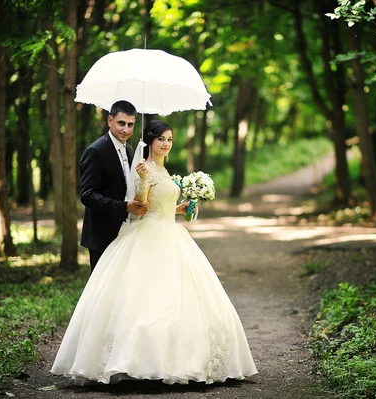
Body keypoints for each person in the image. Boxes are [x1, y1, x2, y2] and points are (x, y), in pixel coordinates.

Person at [51, 120, 258, 385]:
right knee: (145, 300)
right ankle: (138, 362)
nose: (166, 144)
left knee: (184, 298)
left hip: (171, 233)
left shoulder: (165, 169)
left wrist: (183, 208)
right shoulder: (144, 169)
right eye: (161, 138)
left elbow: (162, 207)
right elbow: (141, 205)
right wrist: (144, 180)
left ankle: (186, 360)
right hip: (147, 237)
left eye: (170, 139)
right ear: (150, 141)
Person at [79, 100, 147, 272]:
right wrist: (124, 207)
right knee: (101, 292)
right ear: (110, 120)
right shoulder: (95, 151)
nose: (126, 129)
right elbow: (87, 195)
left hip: (126, 232)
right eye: (121, 123)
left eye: (130, 125)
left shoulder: (131, 151)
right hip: (101, 235)